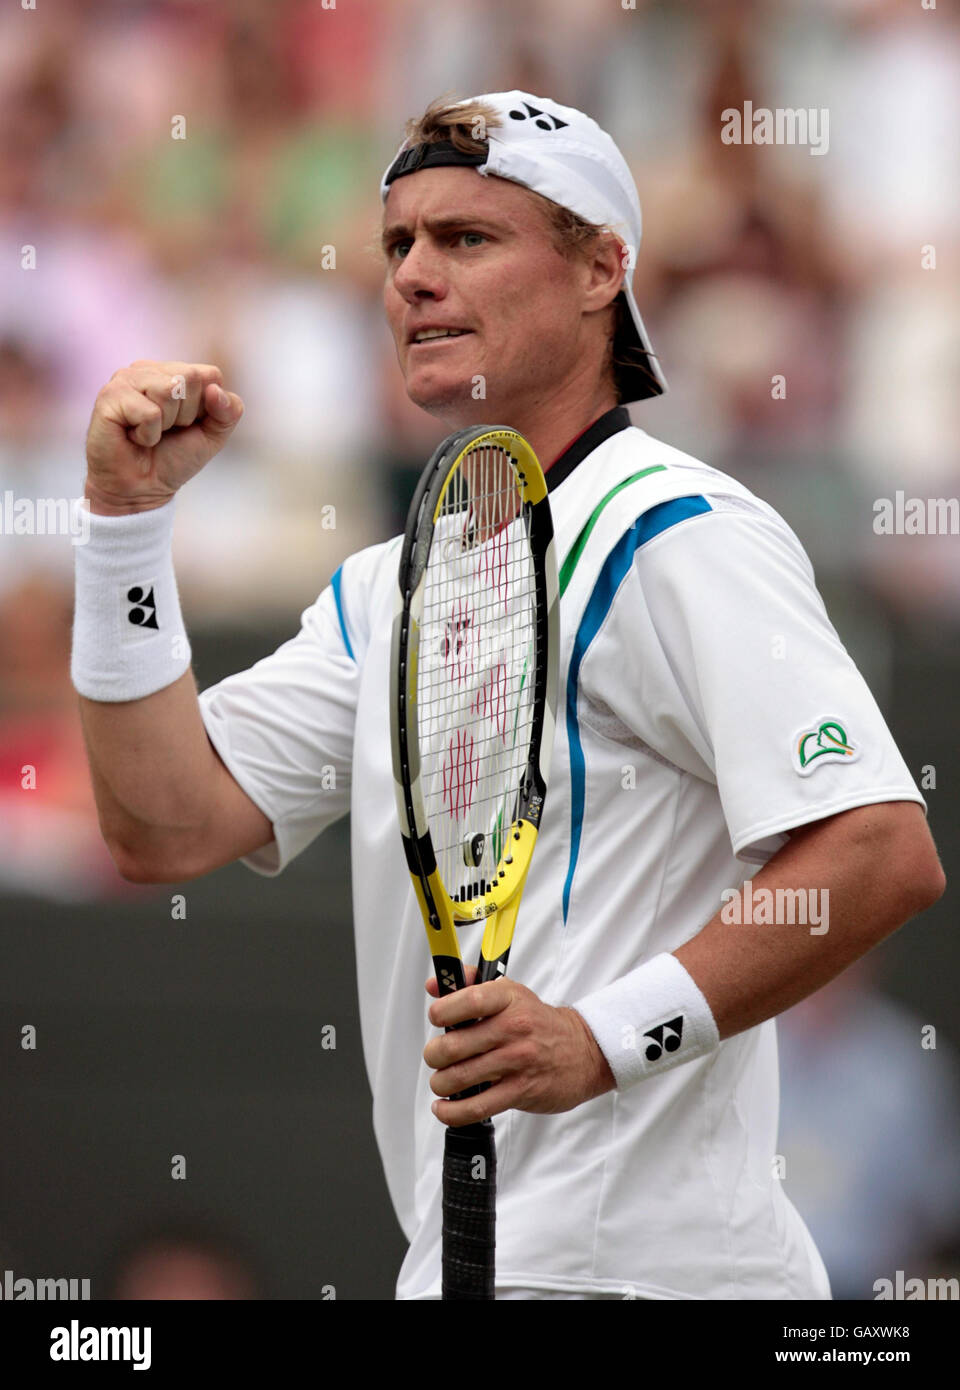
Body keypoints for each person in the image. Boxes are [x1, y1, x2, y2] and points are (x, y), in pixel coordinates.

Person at [72, 91, 945, 1300]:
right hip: (475, 1272)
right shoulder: (387, 588)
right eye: (398, 246)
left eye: (467, 240)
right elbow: (164, 825)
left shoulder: (675, 529)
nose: (414, 278)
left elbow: (880, 850)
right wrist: (125, 528)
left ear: (601, 271)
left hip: (653, 1282)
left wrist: (599, 1038)